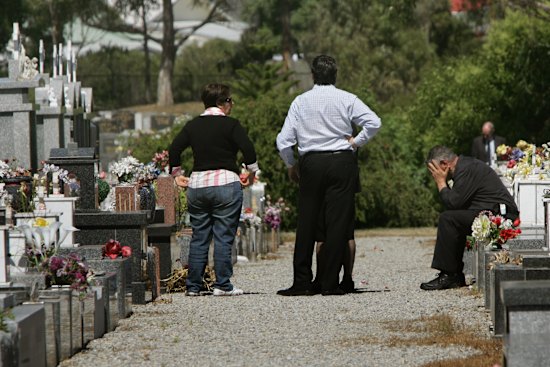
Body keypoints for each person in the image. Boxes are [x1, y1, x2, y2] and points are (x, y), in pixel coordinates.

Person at [276, 54, 381, 296]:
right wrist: (355, 142)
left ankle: (302, 281)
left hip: (311, 162)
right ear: (335, 75)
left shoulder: (301, 101)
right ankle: (330, 283)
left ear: (312, 75)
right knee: (338, 223)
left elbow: (283, 141)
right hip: (341, 161)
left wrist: (292, 164)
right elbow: (374, 122)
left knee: (307, 222)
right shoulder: (347, 98)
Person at [169, 83, 259, 296]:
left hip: (198, 185)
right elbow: (248, 149)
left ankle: (193, 286)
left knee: (199, 236)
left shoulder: (192, 126)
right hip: (226, 183)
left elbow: (175, 148)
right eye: (229, 100)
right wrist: (251, 173)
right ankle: (222, 284)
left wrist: (177, 174)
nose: (232, 104)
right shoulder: (231, 125)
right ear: (221, 103)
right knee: (223, 236)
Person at [421, 145, 519, 291]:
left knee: (448, 219)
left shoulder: (466, 168)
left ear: (444, 164)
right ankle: (453, 274)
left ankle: (450, 275)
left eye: (433, 170)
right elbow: (458, 204)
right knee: (453, 219)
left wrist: (441, 183)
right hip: (488, 212)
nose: (433, 174)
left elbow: (453, 203)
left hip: (501, 216)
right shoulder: (464, 166)